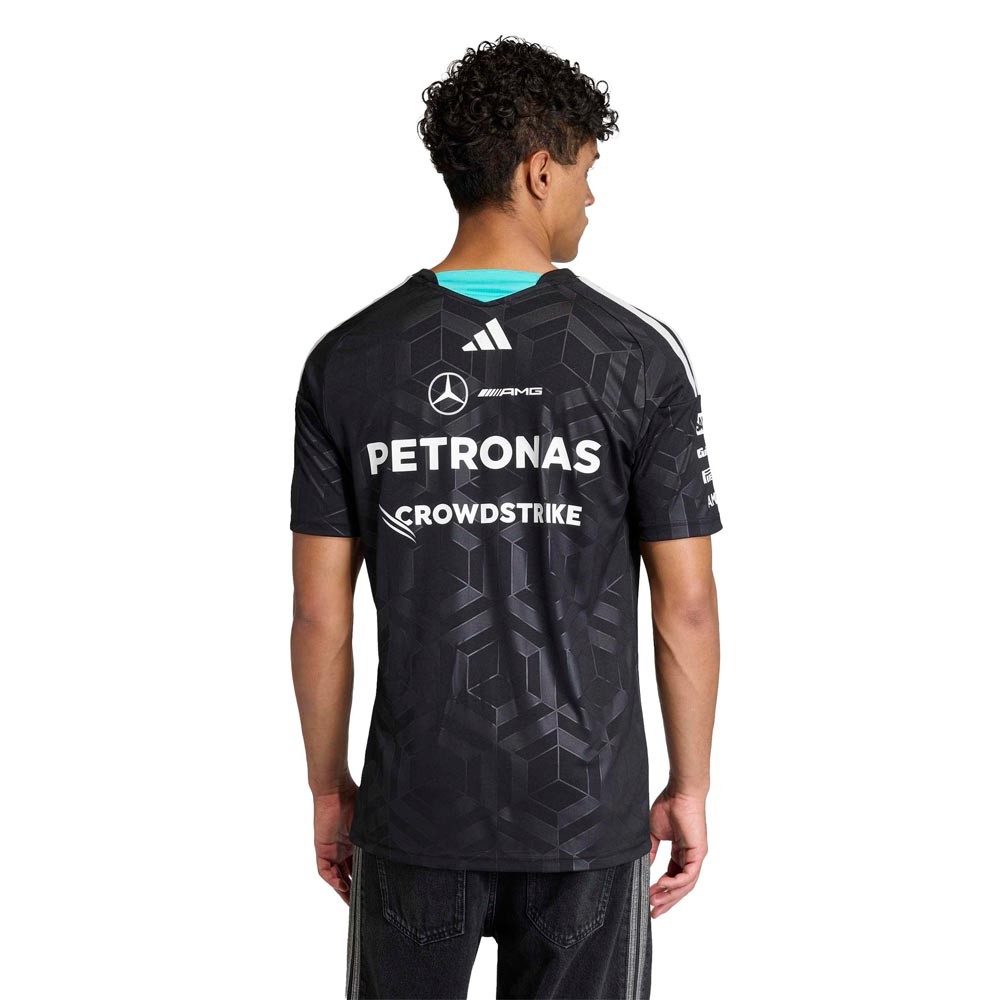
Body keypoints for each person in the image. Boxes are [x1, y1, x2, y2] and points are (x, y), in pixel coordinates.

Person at [290, 35, 722, 1000]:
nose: (591, 198)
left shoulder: (348, 360)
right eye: (586, 171)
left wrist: (328, 789)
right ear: (539, 172)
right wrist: (689, 787)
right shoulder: (638, 358)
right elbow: (686, 605)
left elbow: (319, 613)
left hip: (416, 807)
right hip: (585, 813)